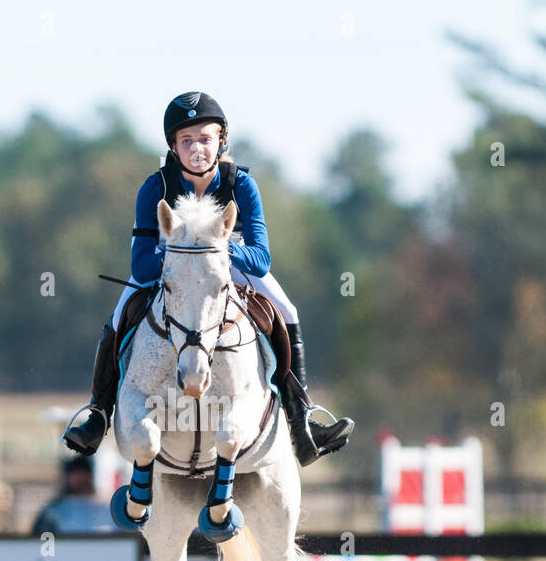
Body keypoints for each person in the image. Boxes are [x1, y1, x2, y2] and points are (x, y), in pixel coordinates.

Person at [63, 90, 354, 466]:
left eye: (205, 138)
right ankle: (99, 413)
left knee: (287, 309)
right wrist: (184, 259)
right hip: (173, 269)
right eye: (186, 141)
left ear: (221, 141)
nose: (196, 148)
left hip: (230, 264)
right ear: (173, 146)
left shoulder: (242, 185)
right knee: (120, 317)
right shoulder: (155, 188)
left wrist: (217, 252)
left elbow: (261, 259)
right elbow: (140, 266)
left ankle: (303, 421)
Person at [32, 455, 122, 534]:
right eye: (76, 474)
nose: (81, 479)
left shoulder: (108, 509)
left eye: (85, 473)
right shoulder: (54, 511)